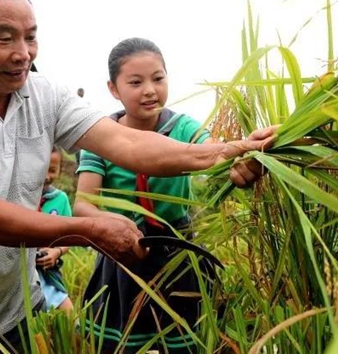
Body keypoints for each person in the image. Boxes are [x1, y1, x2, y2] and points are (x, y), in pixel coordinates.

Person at [0, 0, 274, 354]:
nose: (23, 54)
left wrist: (229, 150)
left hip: (10, 318)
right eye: (5, 38)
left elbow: (127, 143)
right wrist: (89, 231)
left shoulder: (43, 94)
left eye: (31, 37)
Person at [73, 38, 233, 352]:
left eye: (158, 78)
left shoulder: (182, 127)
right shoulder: (100, 136)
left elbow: (215, 150)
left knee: (186, 340)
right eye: (136, 82)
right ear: (113, 89)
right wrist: (115, 225)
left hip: (178, 254)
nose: (150, 90)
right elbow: (82, 205)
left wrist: (239, 155)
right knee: (121, 341)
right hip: (122, 253)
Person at [35, 146, 74, 313]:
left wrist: (56, 252)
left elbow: (69, 237)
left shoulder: (60, 199)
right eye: (41, 169)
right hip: (20, 273)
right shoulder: (18, 197)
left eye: (52, 170)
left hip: (47, 272)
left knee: (70, 318)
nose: (46, 176)